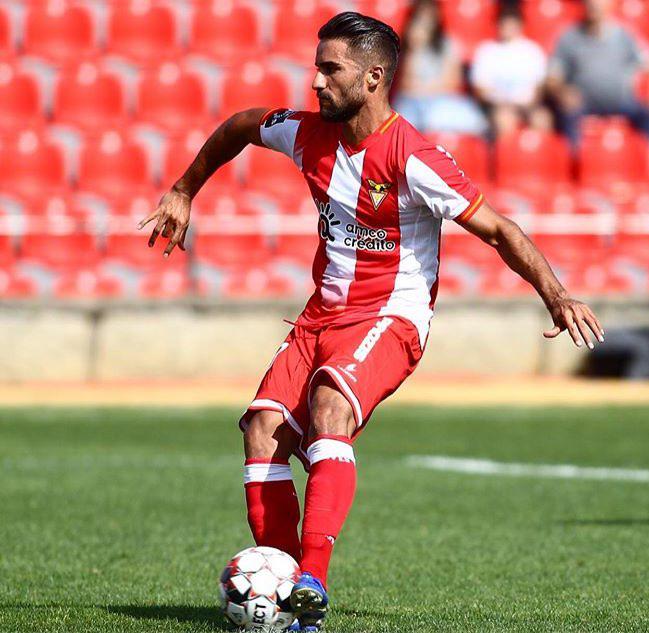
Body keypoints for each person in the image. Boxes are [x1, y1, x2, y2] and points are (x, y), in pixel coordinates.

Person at [138, 12, 605, 632]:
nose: (316, 81)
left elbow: (499, 229)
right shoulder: (304, 133)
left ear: (373, 78)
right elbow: (241, 125)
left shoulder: (414, 158)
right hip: (320, 317)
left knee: (330, 405)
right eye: (316, 68)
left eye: (330, 70)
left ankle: (311, 580)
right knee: (263, 428)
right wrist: (183, 189)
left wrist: (557, 295)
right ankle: (282, 594)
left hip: (391, 315)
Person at [546, 0, 649, 147]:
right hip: (583, 104)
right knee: (567, 115)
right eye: (590, 3)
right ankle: (574, 158)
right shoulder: (568, 37)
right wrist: (563, 92)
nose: (594, 6)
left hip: (621, 102)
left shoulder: (624, 35)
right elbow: (553, 77)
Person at [392, 0, 487, 134]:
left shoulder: (447, 44)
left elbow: (452, 83)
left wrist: (424, 91)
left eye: (429, 15)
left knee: (440, 120)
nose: (426, 21)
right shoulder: (408, 47)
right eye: (421, 16)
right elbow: (405, 84)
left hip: (440, 101)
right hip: (411, 102)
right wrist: (414, 49)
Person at [470, 5, 552, 137]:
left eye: (512, 24)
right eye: (504, 24)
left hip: (527, 105)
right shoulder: (486, 51)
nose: (508, 28)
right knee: (505, 120)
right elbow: (480, 89)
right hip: (497, 106)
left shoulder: (533, 51)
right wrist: (501, 102)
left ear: (520, 25)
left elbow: (539, 87)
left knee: (542, 119)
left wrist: (527, 103)